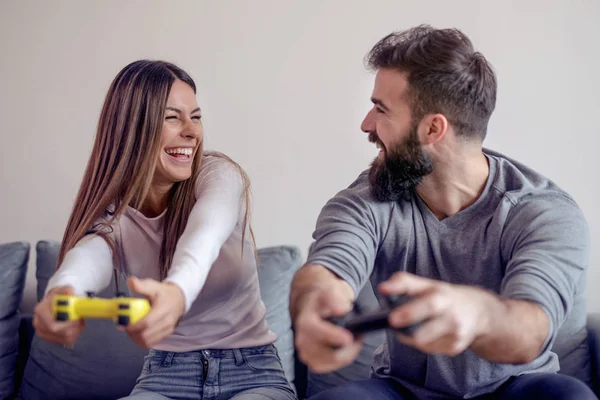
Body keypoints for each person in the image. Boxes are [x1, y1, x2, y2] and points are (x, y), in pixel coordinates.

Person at [290, 25, 595, 399]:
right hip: (404, 389)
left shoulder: (542, 212)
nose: (366, 124)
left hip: (515, 387)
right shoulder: (369, 197)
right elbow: (329, 265)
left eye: (381, 109)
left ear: (433, 128)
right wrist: (315, 304)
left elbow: (530, 329)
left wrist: (477, 314)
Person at [30, 60, 296, 400]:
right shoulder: (114, 218)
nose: (192, 131)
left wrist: (176, 293)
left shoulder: (219, 176)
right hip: (166, 375)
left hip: (253, 373)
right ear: (132, 128)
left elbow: (204, 236)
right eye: (173, 117)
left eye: (196, 117)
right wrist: (61, 293)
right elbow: (87, 257)